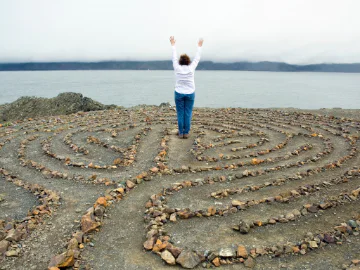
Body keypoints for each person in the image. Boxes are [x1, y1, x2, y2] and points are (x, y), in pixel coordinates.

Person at [170, 36, 204, 139]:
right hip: (190, 93)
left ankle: (181, 133)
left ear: (180, 61)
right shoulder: (191, 67)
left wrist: (173, 45)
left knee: (180, 113)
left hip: (179, 93)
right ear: (188, 61)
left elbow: (174, 57)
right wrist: (199, 46)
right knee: (188, 112)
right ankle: (186, 132)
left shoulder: (177, 67)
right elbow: (197, 58)